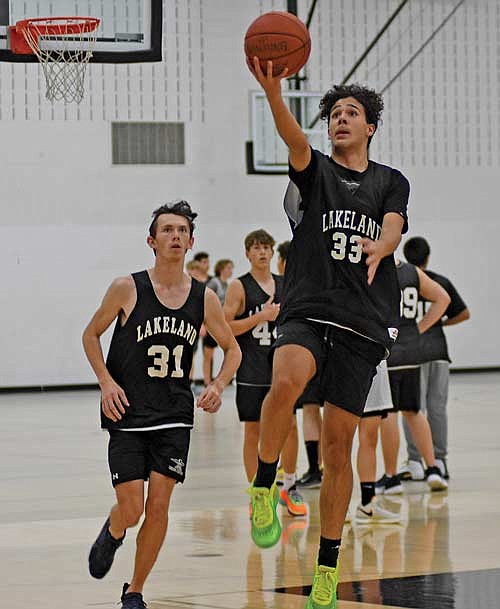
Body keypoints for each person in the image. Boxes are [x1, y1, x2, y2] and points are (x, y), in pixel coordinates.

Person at [248, 54, 410, 609]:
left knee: (340, 446)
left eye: (352, 112)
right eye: (334, 112)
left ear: (370, 126)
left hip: (363, 319)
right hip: (309, 305)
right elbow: (294, 140)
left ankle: (327, 565)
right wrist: (274, 94)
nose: (341, 119)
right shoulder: (314, 169)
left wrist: (384, 246)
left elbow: (394, 223)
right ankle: (264, 483)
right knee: (287, 380)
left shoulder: (391, 181)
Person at [82, 201, 241, 609]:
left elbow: (232, 349)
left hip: (173, 414)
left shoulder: (203, 297)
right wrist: (105, 382)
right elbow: (90, 335)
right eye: (167, 230)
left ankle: (134, 590)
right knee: (132, 507)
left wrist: (219, 384)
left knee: (159, 506)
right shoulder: (127, 287)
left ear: (191, 241)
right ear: (151, 241)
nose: (175, 236)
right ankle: (115, 529)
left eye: (181, 230)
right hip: (128, 411)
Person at [224, 230, 307, 517]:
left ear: (273, 253)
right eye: (256, 248)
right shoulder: (239, 287)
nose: (261, 252)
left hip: (283, 368)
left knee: (291, 426)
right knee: (253, 430)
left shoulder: (287, 284)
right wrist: (260, 317)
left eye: (266, 248)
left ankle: (290, 485)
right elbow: (224, 327)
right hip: (251, 368)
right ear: (247, 254)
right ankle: (257, 492)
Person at [376, 260, 450, 495]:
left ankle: (391, 477)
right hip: (412, 349)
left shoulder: (375, 268)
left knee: (388, 413)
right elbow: (443, 298)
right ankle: (433, 469)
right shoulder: (411, 271)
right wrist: (419, 328)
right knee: (413, 411)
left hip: (388, 350)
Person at [399, 237, 470, 480]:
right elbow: (463, 313)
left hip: (411, 354)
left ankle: (415, 461)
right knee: (437, 408)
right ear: (428, 257)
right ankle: (439, 460)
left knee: (411, 408)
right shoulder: (440, 282)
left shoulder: (401, 280)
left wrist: (415, 329)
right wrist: (439, 323)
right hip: (438, 351)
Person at [203, 259, 234, 386]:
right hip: (211, 322)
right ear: (221, 268)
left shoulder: (227, 284)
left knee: (227, 350)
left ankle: (221, 379)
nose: (231, 271)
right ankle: (206, 382)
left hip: (222, 324)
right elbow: (204, 299)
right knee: (208, 354)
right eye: (228, 268)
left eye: (231, 268)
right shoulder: (214, 283)